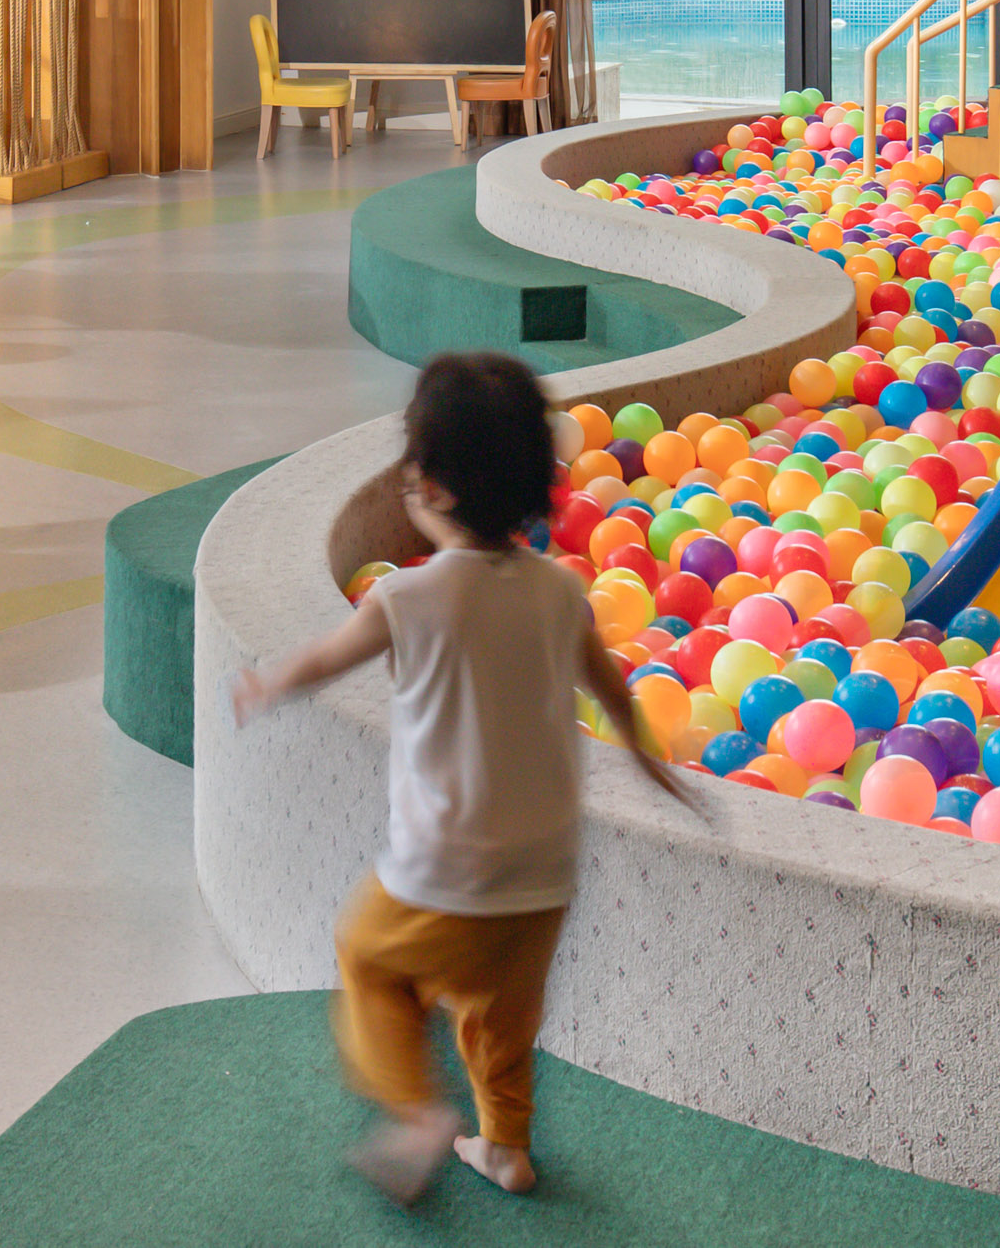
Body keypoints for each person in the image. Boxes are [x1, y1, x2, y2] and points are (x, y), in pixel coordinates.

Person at [233, 351, 688, 1202]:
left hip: (444, 871)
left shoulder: (407, 598)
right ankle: (506, 1147)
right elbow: (615, 692)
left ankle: (417, 1113)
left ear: (429, 485)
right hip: (544, 876)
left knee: (366, 957)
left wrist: (266, 684)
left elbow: (324, 658)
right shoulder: (559, 591)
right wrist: (650, 763)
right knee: (498, 1020)